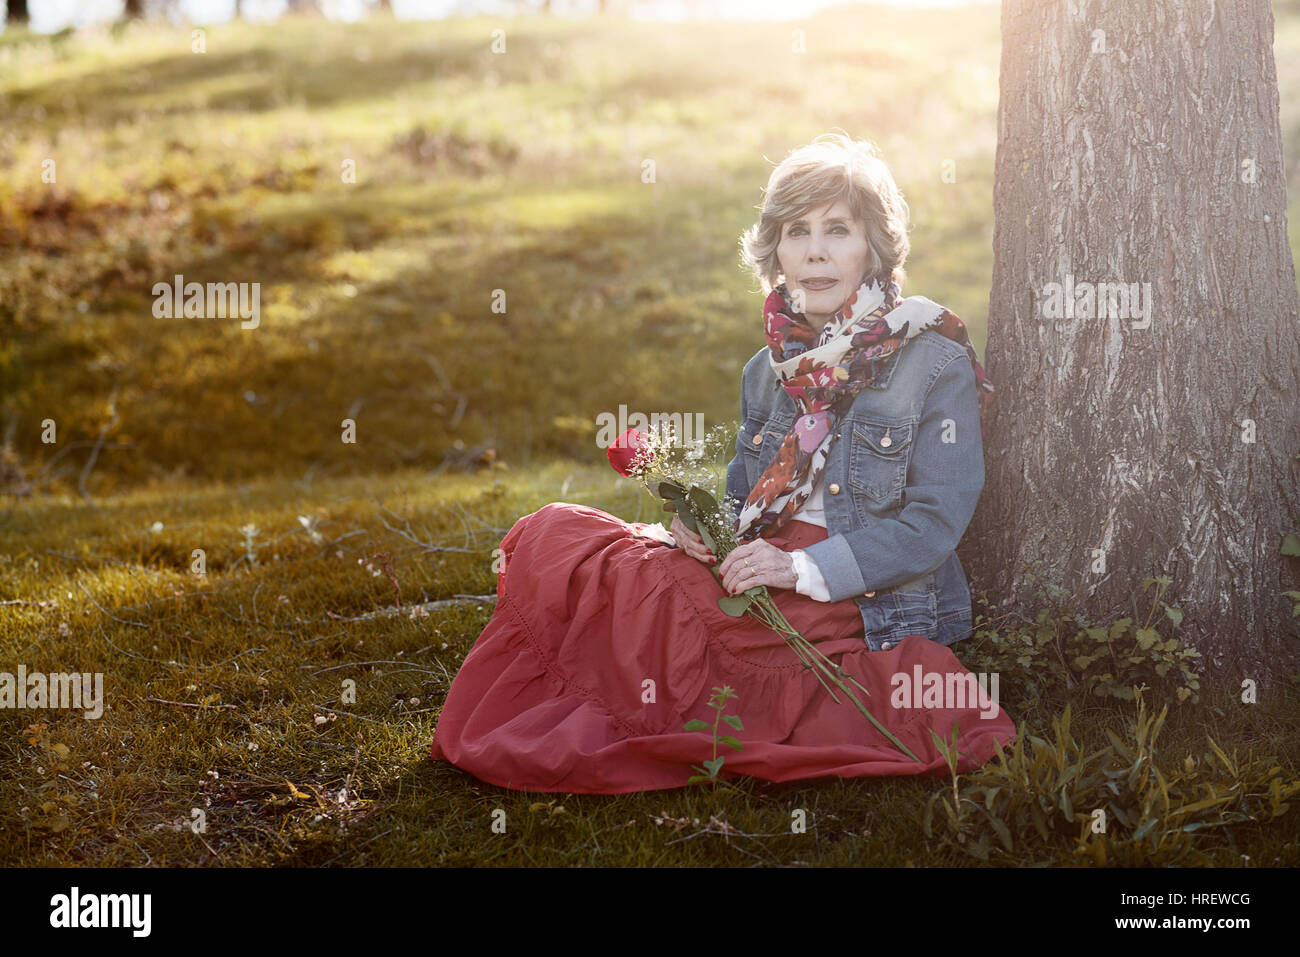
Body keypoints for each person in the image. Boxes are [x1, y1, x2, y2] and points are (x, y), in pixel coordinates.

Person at [430, 132, 1013, 794]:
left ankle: (631, 710)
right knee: (557, 537)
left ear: (873, 247)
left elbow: (933, 526)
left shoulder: (931, 360)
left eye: (838, 229)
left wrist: (797, 567)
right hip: (757, 562)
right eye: (797, 232)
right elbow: (744, 498)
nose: (816, 250)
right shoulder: (767, 371)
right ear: (777, 252)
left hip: (855, 589)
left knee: (665, 613)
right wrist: (709, 529)